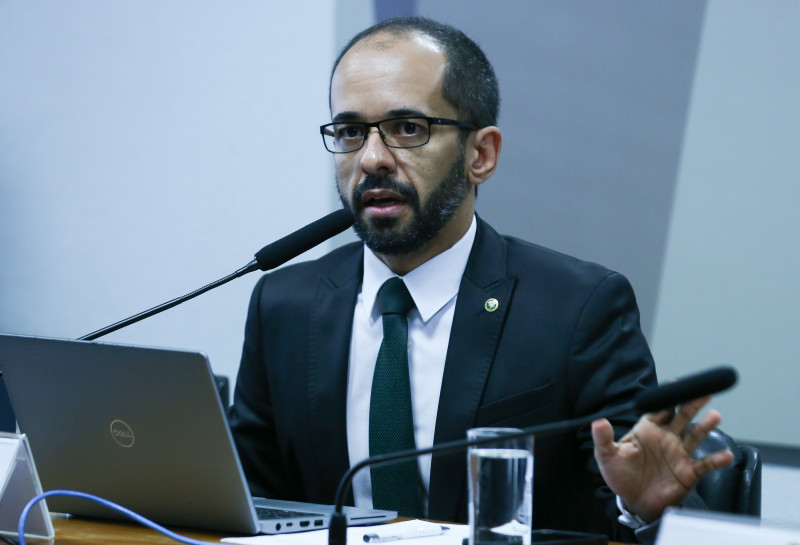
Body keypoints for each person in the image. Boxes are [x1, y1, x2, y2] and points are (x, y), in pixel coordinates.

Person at [228, 17, 733, 543]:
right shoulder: (283, 305)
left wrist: (644, 508)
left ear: (481, 155)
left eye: (408, 128)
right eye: (351, 132)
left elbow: (641, 488)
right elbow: (243, 507)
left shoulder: (577, 309)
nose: (372, 159)